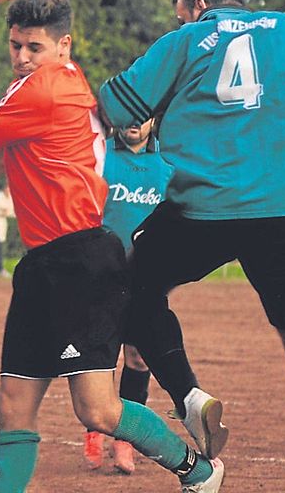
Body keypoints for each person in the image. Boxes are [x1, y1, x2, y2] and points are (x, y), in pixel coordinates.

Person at [0, 0, 224, 493]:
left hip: (82, 262)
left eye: (34, 47)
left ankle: (197, 471)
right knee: (12, 405)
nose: (22, 58)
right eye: (15, 46)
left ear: (63, 45)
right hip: (43, 264)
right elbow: (16, 146)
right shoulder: (61, 85)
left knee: (97, 409)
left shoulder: (43, 87)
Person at [98, 0, 285, 492]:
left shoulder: (185, 40)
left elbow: (115, 106)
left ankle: (188, 397)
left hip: (201, 209)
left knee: (126, 284)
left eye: (180, 13)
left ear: (198, 8)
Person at [82, 117, 174, 475]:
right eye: (129, 113)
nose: (135, 121)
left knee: (138, 359)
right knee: (100, 356)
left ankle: (125, 442)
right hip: (100, 273)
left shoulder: (166, 165)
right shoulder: (103, 156)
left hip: (146, 277)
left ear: (154, 120)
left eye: (144, 114)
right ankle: (94, 430)